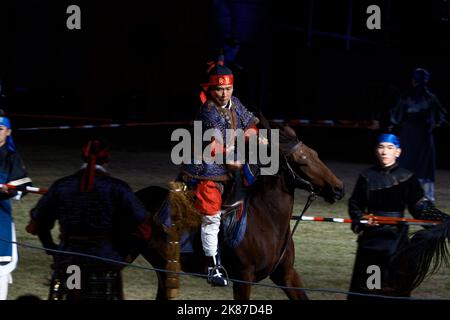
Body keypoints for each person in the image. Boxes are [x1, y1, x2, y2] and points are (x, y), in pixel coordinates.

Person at [25, 138, 150, 300]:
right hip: (105, 260)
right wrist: (124, 254)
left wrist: (52, 250)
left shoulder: (62, 186)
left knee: (72, 296)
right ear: (107, 160)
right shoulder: (118, 188)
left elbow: (38, 223)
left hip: (69, 258)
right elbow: (143, 226)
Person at [180, 55, 264, 286]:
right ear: (210, 88)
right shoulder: (207, 110)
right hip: (207, 168)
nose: (224, 94)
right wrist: (232, 155)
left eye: (227, 88)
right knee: (211, 216)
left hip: (231, 162)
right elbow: (214, 146)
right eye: (219, 89)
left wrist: (254, 138)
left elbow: (249, 125)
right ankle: (212, 266)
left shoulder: (235, 103)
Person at [347, 133, 450, 300]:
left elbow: (420, 207)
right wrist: (362, 218)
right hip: (371, 243)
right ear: (376, 151)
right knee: (371, 289)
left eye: (389, 148)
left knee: (394, 288)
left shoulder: (407, 177)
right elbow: (355, 204)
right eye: (381, 147)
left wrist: (444, 220)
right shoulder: (366, 176)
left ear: (398, 152)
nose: (384, 152)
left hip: (396, 241)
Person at [389, 68, 448, 202]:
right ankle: (425, 196)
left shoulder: (407, 97)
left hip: (411, 135)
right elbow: (440, 118)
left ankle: (403, 195)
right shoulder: (430, 98)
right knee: (422, 164)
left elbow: (395, 117)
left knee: (409, 163)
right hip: (421, 135)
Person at [0, 111, 32, 300]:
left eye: (0, 129)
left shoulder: (12, 158)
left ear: (8, 132)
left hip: (0, 217)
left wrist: (9, 190)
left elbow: (23, 187)